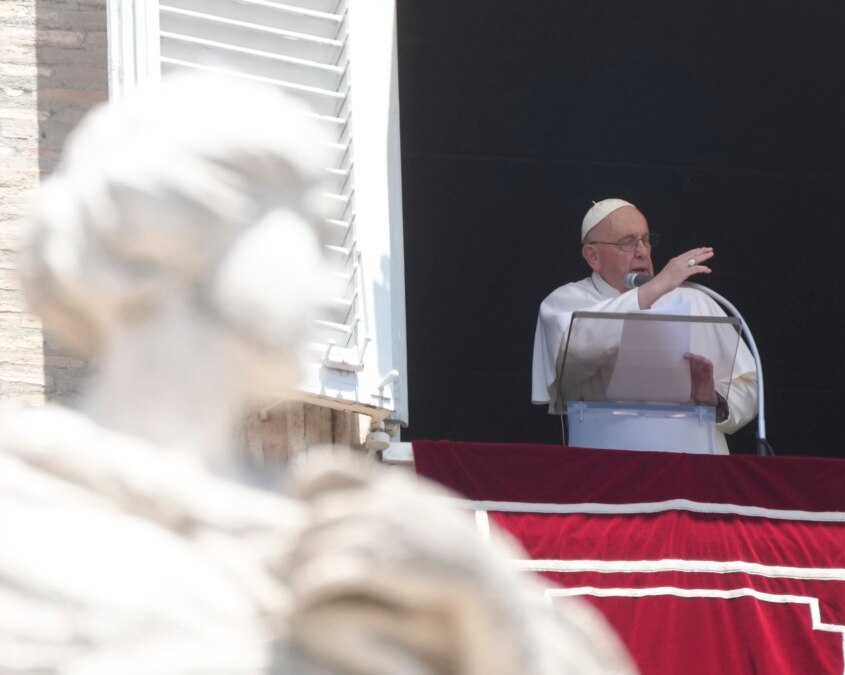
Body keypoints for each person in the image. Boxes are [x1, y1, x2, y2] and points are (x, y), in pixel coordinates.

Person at [1, 73, 635, 675]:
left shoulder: (372, 533)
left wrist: (489, 617)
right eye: (309, 233)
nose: (333, 285)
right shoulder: (27, 511)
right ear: (163, 238)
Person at [532, 198, 757, 454]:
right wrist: (655, 288)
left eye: (646, 240)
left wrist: (712, 398)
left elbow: (749, 385)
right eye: (627, 243)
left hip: (693, 475)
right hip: (606, 472)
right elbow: (575, 351)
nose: (642, 251)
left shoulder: (696, 300)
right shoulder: (565, 302)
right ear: (593, 256)